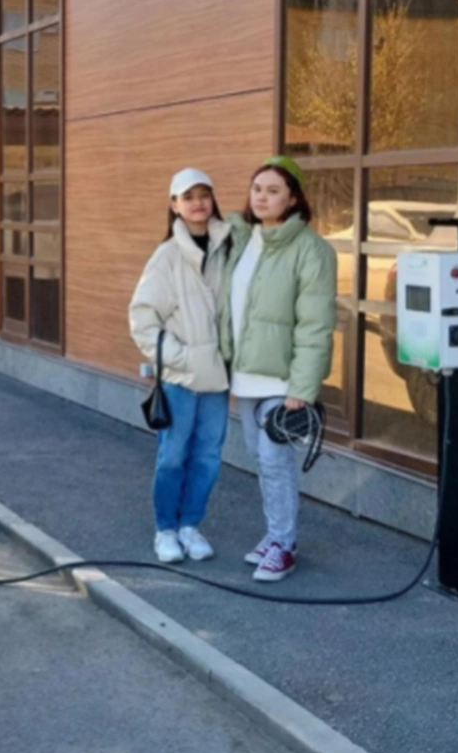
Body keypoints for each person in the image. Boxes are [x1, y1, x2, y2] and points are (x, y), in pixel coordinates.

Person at [219, 156, 337, 582]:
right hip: (247, 374)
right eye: (257, 189)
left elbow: (316, 323)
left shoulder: (311, 250)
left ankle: (284, 545)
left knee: (274, 460)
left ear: (292, 199)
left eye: (273, 190)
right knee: (260, 458)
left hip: (282, 379)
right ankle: (276, 534)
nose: (262, 196)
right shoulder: (242, 240)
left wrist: (302, 387)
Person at [129, 168, 232, 563]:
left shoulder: (228, 247)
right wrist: (182, 359)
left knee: (208, 455)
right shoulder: (167, 256)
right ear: (174, 205)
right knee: (172, 456)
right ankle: (165, 530)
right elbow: (142, 319)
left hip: (218, 379)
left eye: (204, 194)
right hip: (181, 379)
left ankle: (191, 525)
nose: (198, 203)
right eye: (188, 197)